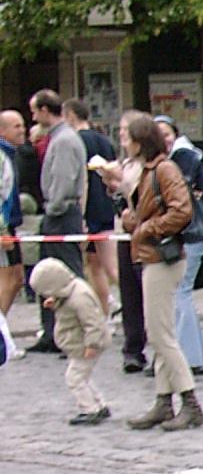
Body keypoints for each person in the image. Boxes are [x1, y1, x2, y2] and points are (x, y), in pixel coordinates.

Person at [120, 111, 203, 431]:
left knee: (161, 337)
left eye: (128, 138)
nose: (124, 144)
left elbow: (181, 211)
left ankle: (190, 402)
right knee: (160, 334)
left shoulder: (164, 169)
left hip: (162, 258)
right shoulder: (147, 171)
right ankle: (163, 401)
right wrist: (133, 221)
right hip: (152, 255)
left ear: (140, 142)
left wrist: (145, 229)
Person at [153, 115, 203, 375]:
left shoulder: (183, 158)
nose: (164, 139)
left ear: (175, 135)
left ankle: (187, 359)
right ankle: (196, 357)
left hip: (193, 232)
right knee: (181, 293)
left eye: (167, 134)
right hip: (193, 232)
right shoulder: (176, 157)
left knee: (180, 293)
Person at [26, 88, 86, 354]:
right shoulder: (59, 137)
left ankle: (78, 331)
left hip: (61, 214)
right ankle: (52, 333)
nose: (32, 117)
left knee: (68, 273)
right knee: (48, 274)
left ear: (44, 110)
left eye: (34, 111)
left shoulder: (63, 140)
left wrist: (54, 207)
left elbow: (63, 179)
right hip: (59, 212)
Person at [30, 258, 111, 425]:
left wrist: (92, 345)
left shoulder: (80, 297)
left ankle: (90, 409)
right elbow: (68, 306)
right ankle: (99, 405)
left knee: (74, 378)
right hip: (79, 344)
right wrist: (56, 302)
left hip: (85, 345)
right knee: (82, 377)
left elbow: (93, 322)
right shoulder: (70, 291)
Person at [65, 99, 117, 315]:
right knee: (105, 266)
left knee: (90, 266)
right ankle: (113, 310)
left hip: (87, 208)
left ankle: (106, 312)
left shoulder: (74, 141)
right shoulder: (103, 140)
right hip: (105, 206)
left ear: (70, 116)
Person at [0, 110, 26, 314]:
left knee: (17, 278)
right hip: (3, 227)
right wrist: (2, 230)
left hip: (9, 225)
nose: (23, 130)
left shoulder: (11, 154)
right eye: (17, 126)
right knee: (8, 278)